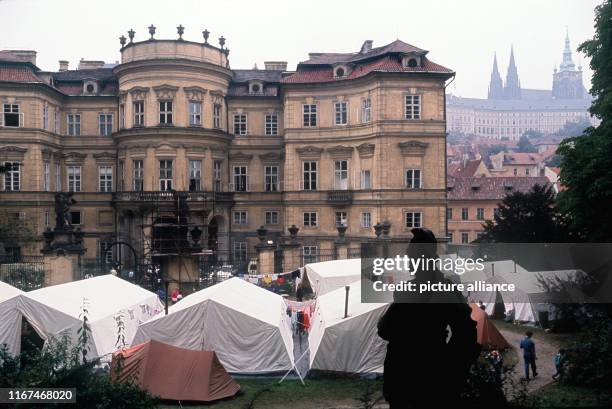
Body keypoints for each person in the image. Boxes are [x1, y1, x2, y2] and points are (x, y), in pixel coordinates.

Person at [377, 228, 480, 408]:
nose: (407, 260)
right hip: (414, 374)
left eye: (411, 255)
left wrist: (448, 367)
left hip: (415, 375)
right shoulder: (430, 288)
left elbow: (385, 329)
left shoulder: (421, 291)